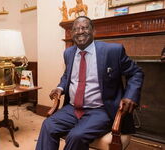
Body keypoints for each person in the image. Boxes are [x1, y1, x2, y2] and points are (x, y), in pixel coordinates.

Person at [36, 16, 144, 150]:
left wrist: (130, 95)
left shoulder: (112, 51)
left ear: (94, 31)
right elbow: (67, 76)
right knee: (48, 125)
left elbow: (136, 73)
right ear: (71, 34)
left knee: (76, 136)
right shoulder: (68, 53)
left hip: (100, 109)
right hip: (73, 108)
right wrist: (60, 87)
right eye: (75, 29)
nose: (80, 31)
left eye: (84, 27)